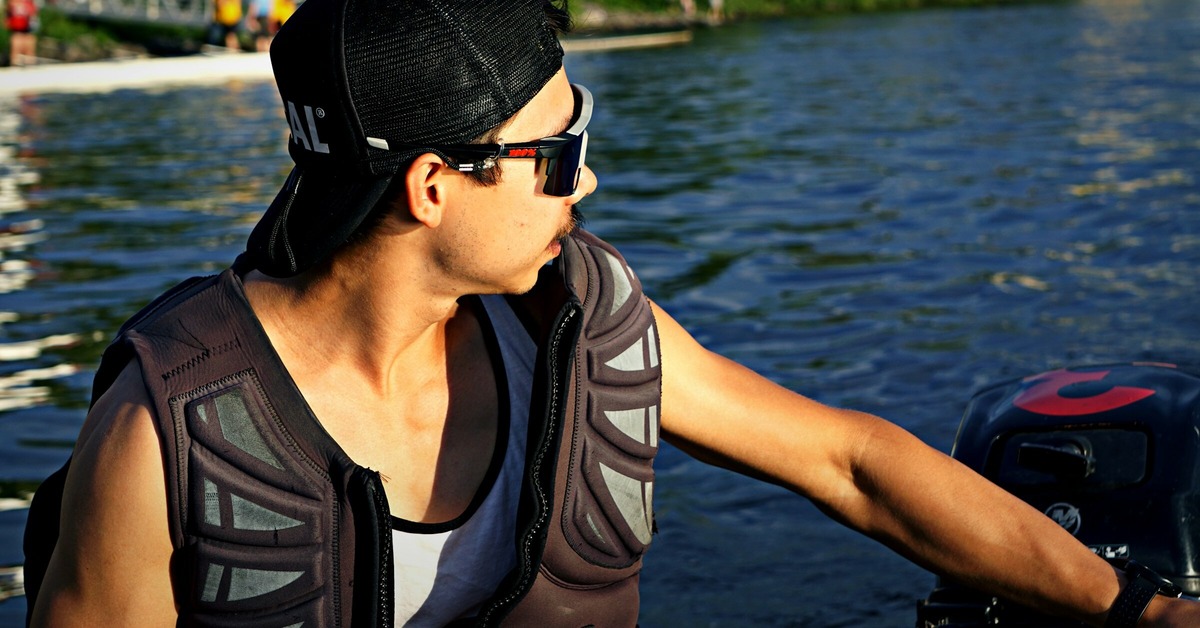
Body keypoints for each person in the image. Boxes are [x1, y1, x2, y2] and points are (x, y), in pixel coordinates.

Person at [19, 1, 1200, 626]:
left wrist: (1139, 612)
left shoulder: (576, 322)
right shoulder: (166, 435)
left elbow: (851, 464)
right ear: (434, 184)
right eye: (560, 149)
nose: (586, 181)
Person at [5, 0, 37, 67]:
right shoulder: (12, 3)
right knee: (16, 47)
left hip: (27, 31)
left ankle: (29, 66)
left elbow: (33, 16)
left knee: (29, 50)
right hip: (16, 31)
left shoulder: (29, 3)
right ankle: (15, 67)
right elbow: (7, 18)